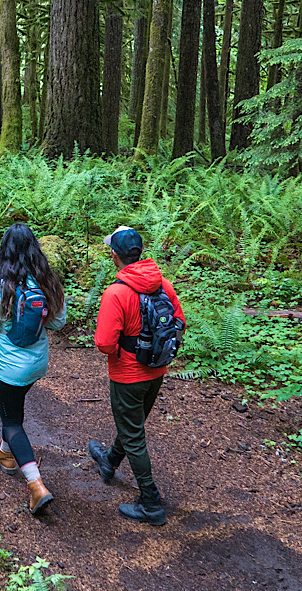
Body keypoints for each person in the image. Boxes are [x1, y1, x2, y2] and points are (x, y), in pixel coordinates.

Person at [89, 225, 185, 526]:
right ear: (139, 252)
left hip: (128, 376)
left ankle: (150, 502)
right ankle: (109, 461)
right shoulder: (163, 285)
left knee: (134, 435)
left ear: (115, 255)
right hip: (156, 371)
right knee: (132, 425)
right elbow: (179, 322)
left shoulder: (116, 292)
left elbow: (104, 343)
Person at [0, 223, 67, 514]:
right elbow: (57, 322)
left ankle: (35, 485)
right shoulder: (47, 281)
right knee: (14, 407)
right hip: (37, 363)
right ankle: (4, 453)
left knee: (12, 421)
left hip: (7, 366)